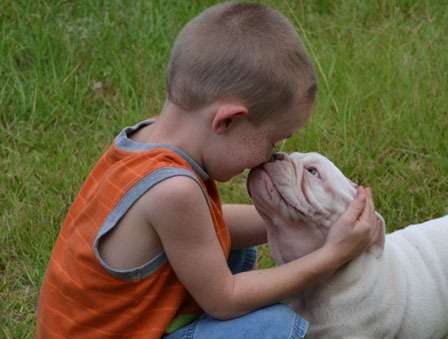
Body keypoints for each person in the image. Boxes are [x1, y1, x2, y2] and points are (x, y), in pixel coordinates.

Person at [36, 2, 377, 338]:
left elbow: (203, 227)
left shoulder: (146, 142)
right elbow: (225, 300)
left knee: (223, 241)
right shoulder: (173, 191)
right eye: (272, 141)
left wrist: (307, 219)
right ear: (227, 121)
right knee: (276, 326)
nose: (269, 157)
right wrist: (331, 255)